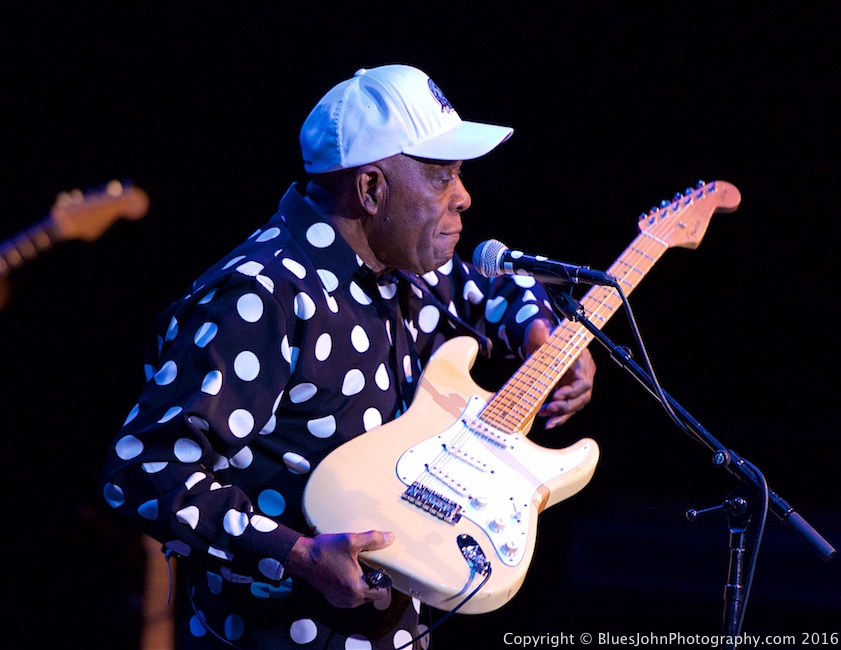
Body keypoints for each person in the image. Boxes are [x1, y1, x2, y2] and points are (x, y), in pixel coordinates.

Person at [101, 64, 596, 649]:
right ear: (371, 190)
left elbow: (486, 288)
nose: (464, 197)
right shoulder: (262, 297)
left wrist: (539, 329)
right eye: (441, 178)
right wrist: (299, 554)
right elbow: (144, 472)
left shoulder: (410, 267)